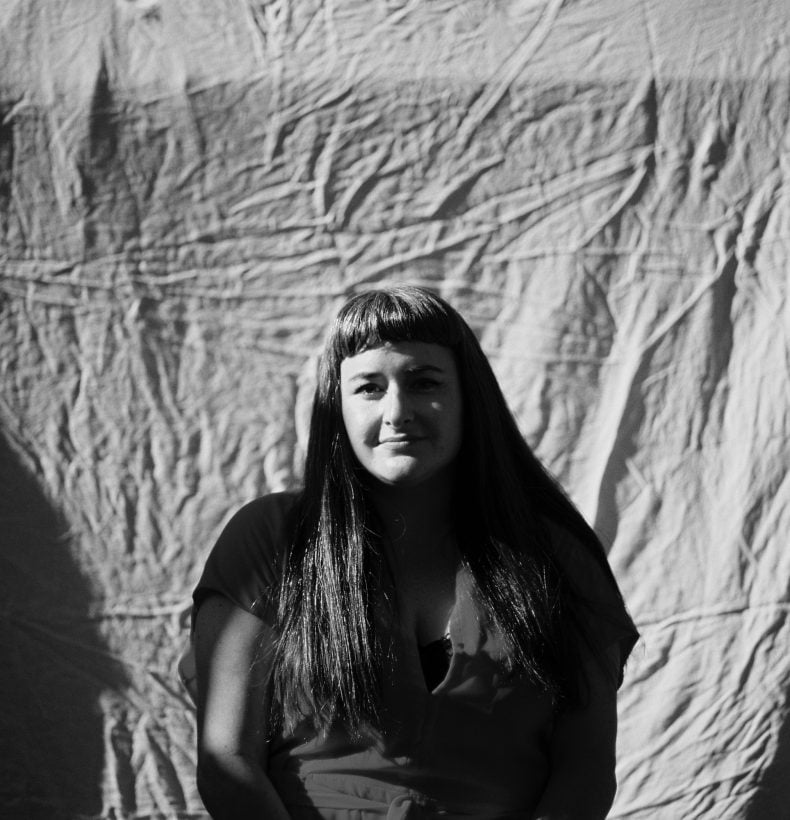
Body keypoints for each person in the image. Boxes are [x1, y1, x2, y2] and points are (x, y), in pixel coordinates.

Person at [182, 285, 639, 819]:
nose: (397, 411)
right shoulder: (270, 537)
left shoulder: (555, 556)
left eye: (424, 383)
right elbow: (228, 760)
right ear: (336, 407)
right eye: (369, 389)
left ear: (470, 398)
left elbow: (585, 772)